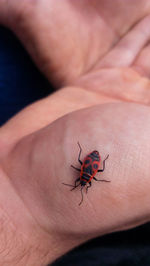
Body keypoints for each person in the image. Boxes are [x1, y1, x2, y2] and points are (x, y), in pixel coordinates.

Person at [0, 1, 150, 265]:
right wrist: (20, 204)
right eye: (85, 181)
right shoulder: (87, 173)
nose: (83, 180)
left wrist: (20, 207)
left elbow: (88, 168)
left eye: (85, 179)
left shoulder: (86, 172)